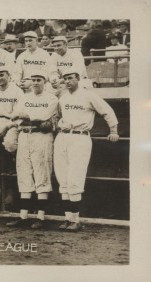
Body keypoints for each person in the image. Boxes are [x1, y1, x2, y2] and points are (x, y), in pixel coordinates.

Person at [54, 68, 119, 231]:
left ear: (78, 78)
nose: (68, 81)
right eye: (65, 79)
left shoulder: (88, 95)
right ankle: (67, 218)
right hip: (62, 136)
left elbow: (107, 111)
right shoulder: (63, 96)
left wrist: (113, 131)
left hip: (80, 136)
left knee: (75, 176)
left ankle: (76, 220)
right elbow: (58, 115)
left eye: (71, 78)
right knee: (62, 177)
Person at [6, 70, 58, 229]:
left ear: (45, 81)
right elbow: (15, 115)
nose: (35, 82)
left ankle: (40, 217)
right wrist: (27, 116)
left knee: (41, 173)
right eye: (33, 79)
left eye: (39, 79)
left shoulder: (52, 98)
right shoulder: (24, 97)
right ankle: (23, 216)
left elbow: (42, 117)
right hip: (24, 134)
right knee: (24, 173)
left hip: (41, 136)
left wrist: (26, 116)